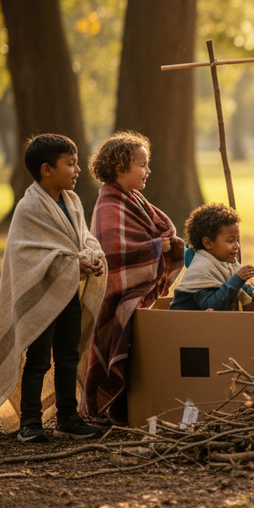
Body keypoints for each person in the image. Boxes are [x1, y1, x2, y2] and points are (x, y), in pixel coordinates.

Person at [0, 134, 106, 443]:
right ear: (47, 169)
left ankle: (68, 417)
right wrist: (72, 264)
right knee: (38, 360)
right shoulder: (29, 209)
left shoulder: (72, 202)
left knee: (67, 356)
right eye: (71, 163)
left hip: (68, 297)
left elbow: (82, 239)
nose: (78, 170)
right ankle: (30, 422)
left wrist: (93, 256)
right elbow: (28, 256)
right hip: (42, 296)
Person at [81, 131, 184, 425]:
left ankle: (127, 407)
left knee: (136, 351)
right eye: (142, 164)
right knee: (116, 345)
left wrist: (164, 243)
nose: (148, 171)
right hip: (117, 297)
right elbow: (113, 252)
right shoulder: (108, 204)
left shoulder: (135, 200)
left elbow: (157, 228)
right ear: (120, 168)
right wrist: (155, 247)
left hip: (137, 295)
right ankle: (109, 407)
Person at [173, 203, 254, 311]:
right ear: (208, 243)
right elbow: (213, 305)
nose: (237, 246)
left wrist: (251, 292)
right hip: (186, 324)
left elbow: (236, 287)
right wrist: (238, 278)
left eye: (237, 240)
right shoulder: (201, 270)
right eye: (230, 241)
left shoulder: (224, 262)